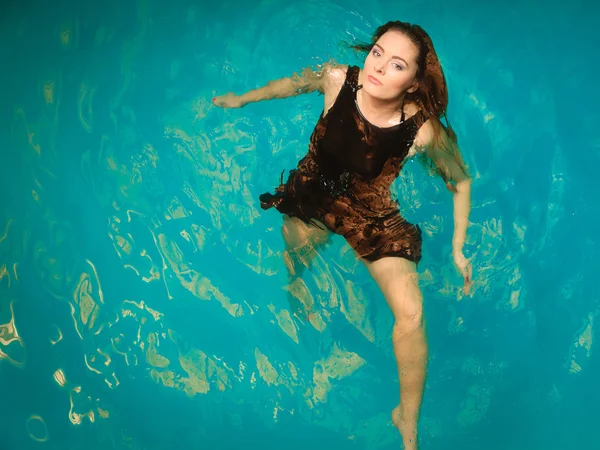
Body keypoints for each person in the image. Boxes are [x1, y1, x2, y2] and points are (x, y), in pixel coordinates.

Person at [213, 20, 472, 450]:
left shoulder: (421, 131)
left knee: (411, 313)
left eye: (396, 64)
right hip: (314, 192)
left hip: (369, 211)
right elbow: (289, 85)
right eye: (376, 53)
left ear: (412, 83)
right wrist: (244, 99)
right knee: (295, 261)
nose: (378, 67)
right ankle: (296, 285)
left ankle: (407, 417)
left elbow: (460, 181)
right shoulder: (336, 80)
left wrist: (459, 247)